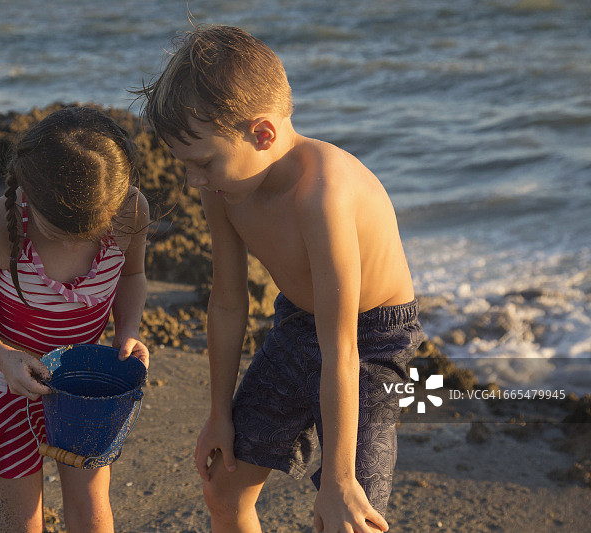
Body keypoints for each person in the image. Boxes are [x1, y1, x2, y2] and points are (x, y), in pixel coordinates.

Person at [137, 25, 424, 533]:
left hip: (370, 343)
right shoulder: (221, 190)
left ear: (262, 134)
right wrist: (219, 414)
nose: (193, 179)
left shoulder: (323, 195)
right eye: (186, 167)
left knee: (351, 515)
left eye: (203, 162)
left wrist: (338, 478)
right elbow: (228, 303)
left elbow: (342, 347)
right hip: (296, 325)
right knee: (224, 487)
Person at [0, 107, 150, 533]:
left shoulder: (130, 211)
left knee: (92, 506)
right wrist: (6, 357)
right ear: (27, 192)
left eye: (91, 233)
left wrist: (128, 329)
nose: (77, 244)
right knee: (22, 519)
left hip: (84, 388)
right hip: (8, 388)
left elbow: (132, 275)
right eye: (60, 232)